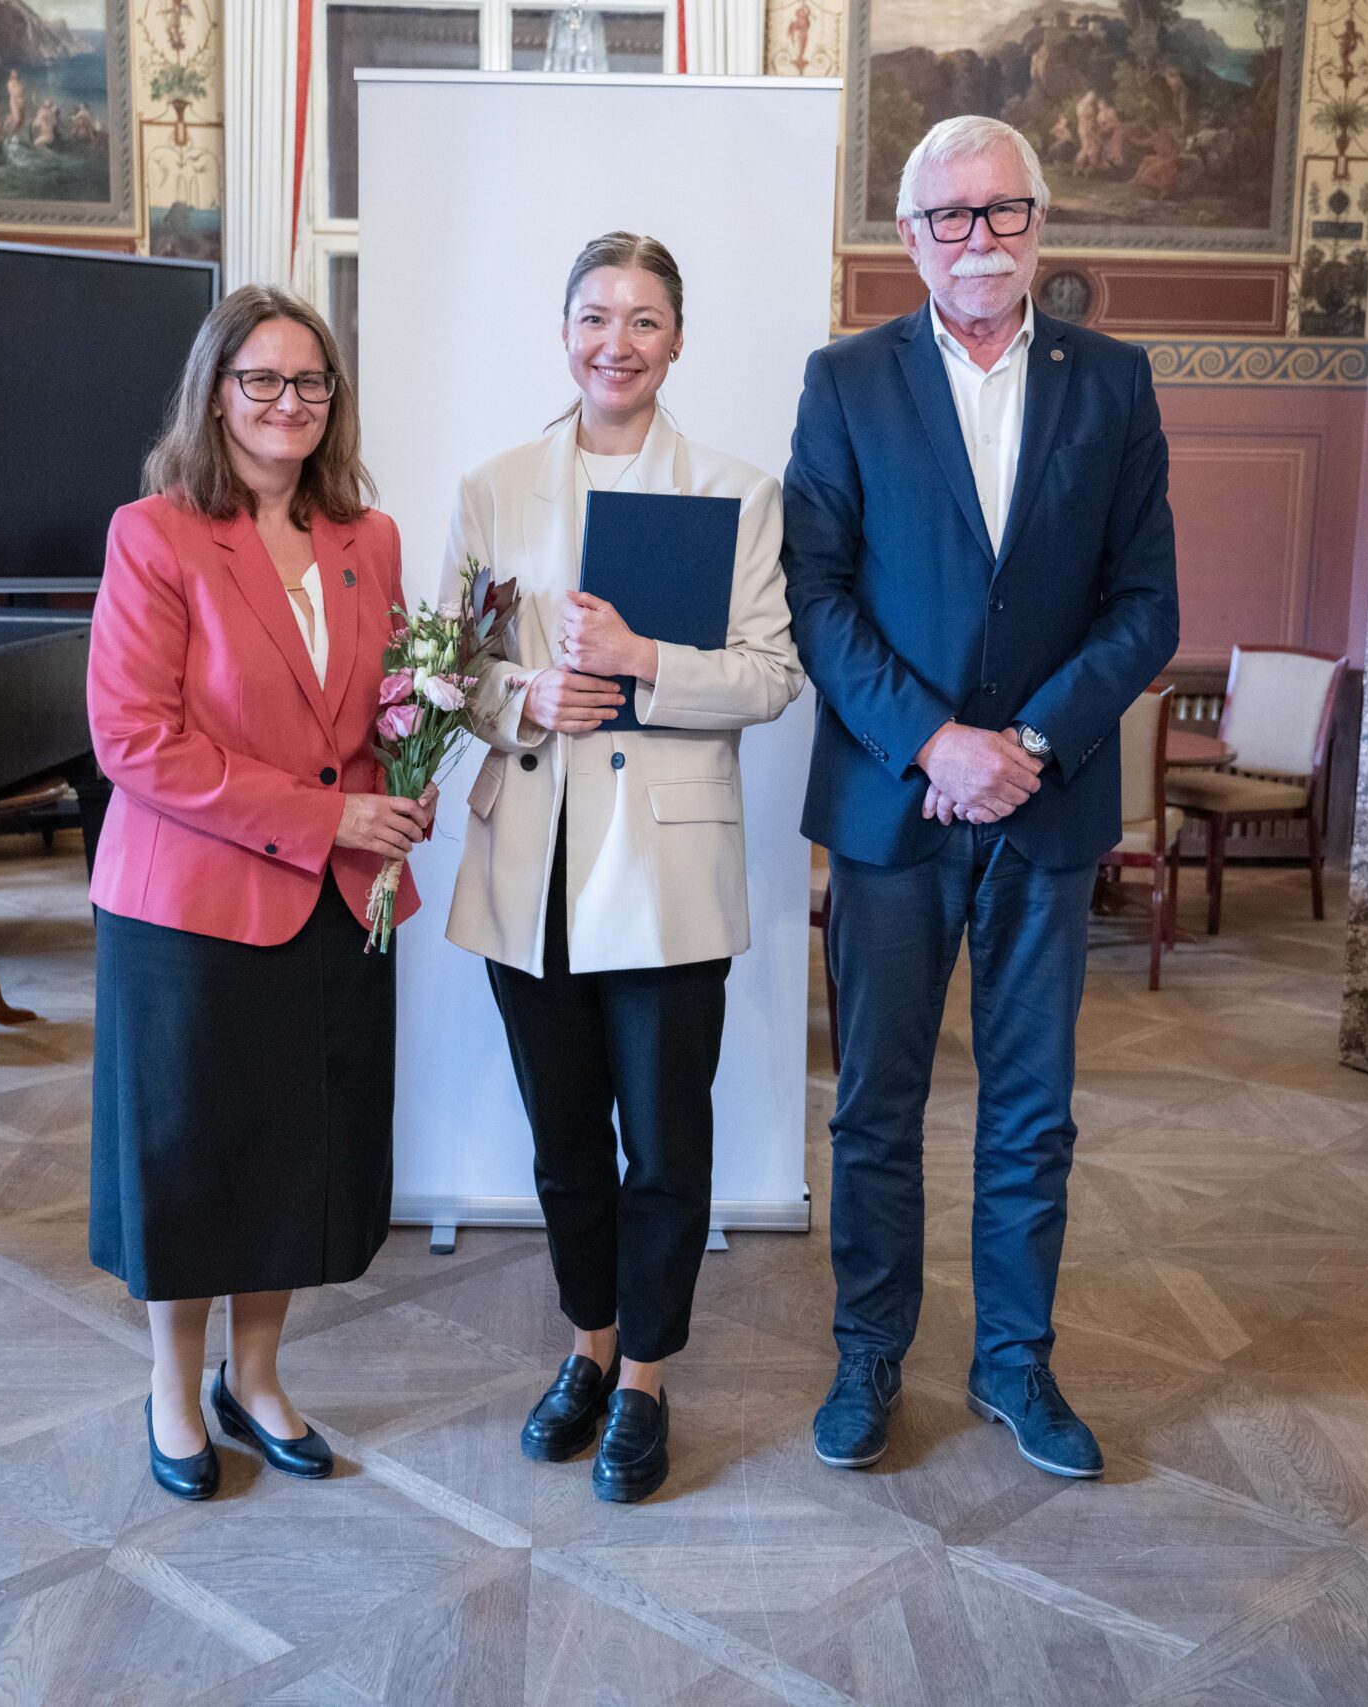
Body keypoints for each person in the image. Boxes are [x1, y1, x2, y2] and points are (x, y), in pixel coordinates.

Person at [783, 117, 1179, 1479]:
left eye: (1002, 211)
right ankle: (868, 1353)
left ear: (1039, 224)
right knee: (873, 1107)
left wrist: (1031, 742)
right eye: (949, 217)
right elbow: (817, 597)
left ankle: (1014, 1360)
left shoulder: (1112, 383)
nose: (978, 240)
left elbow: (1145, 606)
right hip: (893, 805)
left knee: (1031, 1110)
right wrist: (935, 742)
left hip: (1045, 809)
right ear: (910, 237)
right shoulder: (846, 381)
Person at [445, 232, 802, 1503]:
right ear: (564, 333)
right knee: (563, 1144)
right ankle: (586, 1348)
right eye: (595, 316)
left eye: (644, 320)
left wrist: (647, 660)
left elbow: (770, 677)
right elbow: (447, 671)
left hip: (662, 866)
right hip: (530, 859)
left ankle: (646, 1376)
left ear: (677, 340)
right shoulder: (493, 487)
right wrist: (525, 695)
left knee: (662, 1145)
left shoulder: (737, 494)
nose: (617, 342)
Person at [86, 286, 435, 1501]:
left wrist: (408, 785)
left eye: (311, 382)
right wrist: (328, 816)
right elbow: (136, 741)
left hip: (336, 905)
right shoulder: (156, 534)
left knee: (296, 1156)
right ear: (217, 394)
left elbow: (389, 709)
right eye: (263, 380)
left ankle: (259, 1378)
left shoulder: (368, 538)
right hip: (188, 909)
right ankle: (173, 1392)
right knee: (192, 1160)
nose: (290, 402)